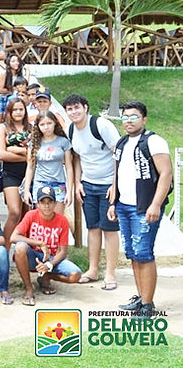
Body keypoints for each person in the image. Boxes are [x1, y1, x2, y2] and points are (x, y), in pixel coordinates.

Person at [108, 101, 172, 318]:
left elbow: (166, 173)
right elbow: (116, 173)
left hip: (144, 207)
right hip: (124, 206)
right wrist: (113, 202)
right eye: (125, 116)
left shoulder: (154, 141)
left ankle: (148, 304)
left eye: (134, 116)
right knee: (133, 254)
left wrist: (155, 204)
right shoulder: (121, 143)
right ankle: (140, 297)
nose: (128, 120)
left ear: (144, 119)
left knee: (144, 254)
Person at [62, 94, 121, 290]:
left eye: (77, 107)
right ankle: (93, 269)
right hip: (88, 185)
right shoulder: (71, 129)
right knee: (93, 228)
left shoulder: (101, 125)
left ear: (85, 107)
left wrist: (115, 185)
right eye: (69, 109)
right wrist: (78, 183)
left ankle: (110, 273)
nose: (74, 112)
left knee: (110, 228)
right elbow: (78, 158)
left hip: (108, 185)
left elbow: (118, 154)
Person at [11, 186, 82, 306]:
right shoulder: (31, 215)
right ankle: (29, 288)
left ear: (55, 204)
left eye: (50, 202)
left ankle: (47, 276)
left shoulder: (62, 221)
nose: (47, 206)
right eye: (43, 202)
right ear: (37, 204)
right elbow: (13, 237)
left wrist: (49, 265)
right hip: (34, 256)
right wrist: (39, 243)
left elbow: (63, 251)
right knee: (20, 247)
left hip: (51, 259)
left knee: (75, 275)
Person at [0, 98, 30, 250]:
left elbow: (35, 152)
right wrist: (26, 154)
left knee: (26, 214)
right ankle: (4, 249)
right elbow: (1, 154)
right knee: (14, 212)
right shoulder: (2, 128)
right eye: (14, 109)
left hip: (29, 174)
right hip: (11, 174)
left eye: (21, 109)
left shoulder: (31, 127)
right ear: (9, 111)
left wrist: (15, 150)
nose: (18, 112)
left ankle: (22, 251)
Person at [22, 111, 73, 214]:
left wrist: (70, 191)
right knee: (42, 217)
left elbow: (69, 167)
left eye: (49, 123)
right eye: (42, 124)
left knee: (57, 218)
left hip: (58, 183)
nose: (46, 127)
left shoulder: (63, 142)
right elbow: (30, 167)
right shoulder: (34, 142)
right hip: (40, 182)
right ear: (38, 126)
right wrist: (26, 190)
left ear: (55, 123)